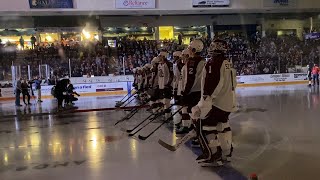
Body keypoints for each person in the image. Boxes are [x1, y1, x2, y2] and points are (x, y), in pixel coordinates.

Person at [191, 39, 237, 166]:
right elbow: (234, 84)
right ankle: (227, 153)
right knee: (222, 125)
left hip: (218, 103)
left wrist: (207, 99)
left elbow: (215, 83)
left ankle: (213, 154)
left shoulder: (214, 62)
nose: (210, 48)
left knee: (205, 125)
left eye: (212, 46)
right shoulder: (228, 62)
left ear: (216, 48)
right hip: (229, 102)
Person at [176, 39, 206, 135]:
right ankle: (195, 131)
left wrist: (185, 92)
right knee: (196, 113)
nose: (188, 50)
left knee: (193, 113)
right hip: (199, 91)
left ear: (194, 49)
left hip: (192, 92)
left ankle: (196, 133)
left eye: (189, 48)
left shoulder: (192, 62)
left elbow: (190, 79)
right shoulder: (202, 60)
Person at [158, 50, 174, 120]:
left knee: (166, 101)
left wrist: (168, 84)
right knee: (162, 101)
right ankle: (165, 114)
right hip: (161, 85)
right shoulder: (159, 64)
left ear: (164, 56)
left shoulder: (168, 64)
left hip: (166, 85)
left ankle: (168, 116)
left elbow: (171, 75)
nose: (159, 57)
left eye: (160, 56)